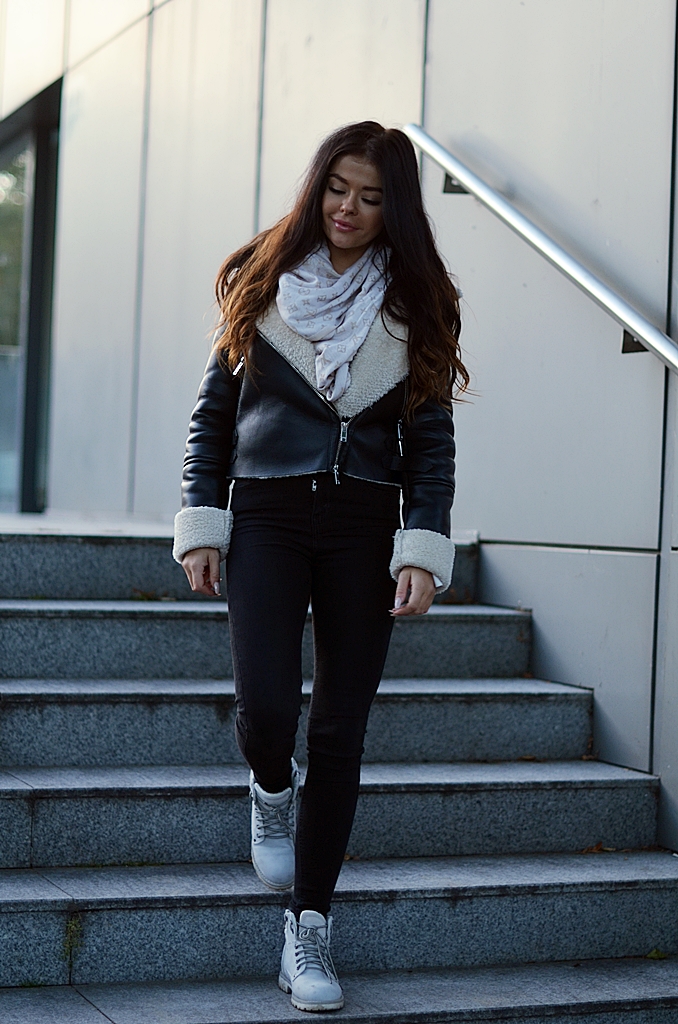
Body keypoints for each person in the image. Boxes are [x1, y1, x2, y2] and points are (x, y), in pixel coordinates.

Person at [173, 121, 468, 1013]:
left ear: (395, 209)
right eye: (338, 188)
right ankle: (271, 787)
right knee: (268, 711)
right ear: (317, 188)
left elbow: (432, 446)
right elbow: (212, 418)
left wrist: (423, 546)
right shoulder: (263, 278)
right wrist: (202, 522)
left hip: (363, 525)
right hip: (266, 513)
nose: (349, 209)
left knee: (339, 731)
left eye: (371, 197)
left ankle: (308, 925)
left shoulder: (416, 303)